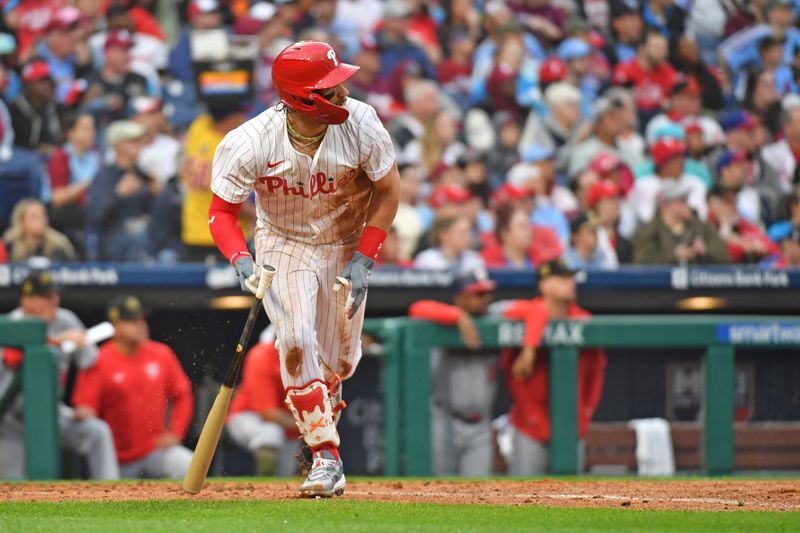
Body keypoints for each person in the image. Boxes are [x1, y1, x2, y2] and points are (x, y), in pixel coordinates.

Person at [208, 41, 400, 497]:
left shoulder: (363, 122)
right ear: (300, 98)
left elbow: (389, 191)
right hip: (284, 242)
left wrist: (366, 255)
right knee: (294, 340)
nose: (343, 93)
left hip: (346, 243)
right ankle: (325, 456)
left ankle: (325, 394)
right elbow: (221, 213)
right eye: (330, 89)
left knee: (341, 362)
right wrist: (240, 259)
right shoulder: (249, 142)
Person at [0, 269, 118, 480]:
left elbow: (91, 364)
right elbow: (12, 359)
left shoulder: (65, 319)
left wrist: (86, 402)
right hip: (9, 421)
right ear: (27, 299)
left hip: (50, 412)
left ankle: (115, 497)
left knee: (97, 432)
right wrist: (55, 341)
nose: (53, 301)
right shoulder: (9, 325)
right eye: (45, 297)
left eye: (54, 295)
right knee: (12, 485)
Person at [501, 259, 606, 475]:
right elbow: (512, 374)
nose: (571, 283)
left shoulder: (584, 320)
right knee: (522, 498)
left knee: (569, 500)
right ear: (544, 285)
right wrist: (531, 415)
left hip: (571, 426)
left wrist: (585, 413)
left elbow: (596, 373)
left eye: (571, 278)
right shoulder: (523, 315)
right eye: (562, 278)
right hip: (530, 426)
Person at [72, 295, 194, 479]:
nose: (140, 325)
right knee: (109, 496)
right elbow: (86, 409)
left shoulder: (161, 354)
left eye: (141, 319)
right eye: (131, 321)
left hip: (154, 449)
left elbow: (182, 395)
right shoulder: (99, 360)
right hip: (115, 457)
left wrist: (175, 433)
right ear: (115, 326)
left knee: (189, 466)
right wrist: (84, 413)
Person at [409, 269, 499, 476]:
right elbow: (417, 308)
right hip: (445, 420)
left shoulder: (495, 319)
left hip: (481, 424)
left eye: (487, 293)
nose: (485, 299)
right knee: (440, 487)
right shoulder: (444, 321)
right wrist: (457, 316)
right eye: (478, 294)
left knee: (479, 494)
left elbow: (529, 310)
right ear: (460, 297)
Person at [226, 326, 301, 477]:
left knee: (284, 477)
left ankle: (269, 491)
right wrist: (311, 427)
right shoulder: (262, 355)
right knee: (270, 434)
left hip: (290, 426)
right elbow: (268, 413)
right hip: (248, 416)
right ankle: (263, 486)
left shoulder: (311, 358)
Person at [84, 120, 152, 261]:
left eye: (140, 141)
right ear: (118, 144)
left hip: (146, 235)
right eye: (133, 141)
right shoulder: (105, 176)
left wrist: (157, 193)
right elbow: (95, 215)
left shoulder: (144, 175)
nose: (140, 145)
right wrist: (118, 194)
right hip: (114, 239)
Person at [632, 182, 729, 265]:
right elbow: (640, 262)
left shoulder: (702, 228)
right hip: (660, 285)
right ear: (666, 205)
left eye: (686, 199)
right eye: (681, 200)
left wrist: (706, 251)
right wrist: (673, 256)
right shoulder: (648, 231)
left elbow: (725, 261)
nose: (687, 204)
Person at [2, 198, 77, 262]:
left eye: (43, 215)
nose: (42, 220)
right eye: (35, 217)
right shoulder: (8, 245)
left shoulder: (59, 245)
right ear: (22, 221)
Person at [414, 215, 484, 272]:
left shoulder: (473, 258)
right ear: (444, 235)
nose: (468, 237)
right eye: (462, 232)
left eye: (468, 232)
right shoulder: (427, 260)